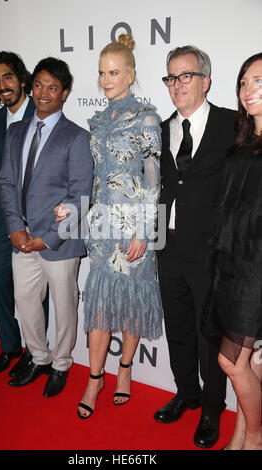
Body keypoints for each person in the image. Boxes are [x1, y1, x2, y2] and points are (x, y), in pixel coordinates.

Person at [74, 34, 163, 419]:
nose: (106, 80)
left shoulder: (146, 117)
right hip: (102, 227)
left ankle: (124, 371)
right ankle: (95, 379)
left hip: (134, 227)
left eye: (114, 72)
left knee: (130, 304)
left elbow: (153, 177)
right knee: (98, 307)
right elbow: (95, 178)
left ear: (131, 74)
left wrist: (144, 231)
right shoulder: (96, 120)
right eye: (101, 73)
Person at [154, 45, 236, 449]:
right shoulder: (160, 128)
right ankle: (186, 391)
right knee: (179, 330)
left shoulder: (232, 125)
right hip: (167, 250)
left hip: (209, 254)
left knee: (209, 336)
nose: (176, 84)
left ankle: (211, 408)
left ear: (205, 80)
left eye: (185, 76)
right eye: (170, 77)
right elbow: (158, 190)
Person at [0, 57, 93, 398]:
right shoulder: (15, 131)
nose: (43, 93)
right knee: (25, 303)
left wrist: (47, 238)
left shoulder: (76, 137)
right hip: (21, 238)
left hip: (58, 243)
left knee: (64, 306)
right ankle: (39, 356)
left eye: (52, 87)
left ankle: (62, 363)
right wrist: (14, 228)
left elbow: (81, 195)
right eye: (38, 85)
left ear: (64, 93)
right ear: (30, 86)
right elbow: (6, 182)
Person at [205, 52, 262, 450]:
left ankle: (256, 438)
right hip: (230, 266)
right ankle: (240, 435)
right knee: (246, 363)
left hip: (256, 272)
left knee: (232, 361)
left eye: (258, 81)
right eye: (244, 82)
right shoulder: (244, 144)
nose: (247, 90)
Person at [0, 51, 49, 377]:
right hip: (5, 219)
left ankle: (40, 352)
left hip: (37, 220)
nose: (2, 85)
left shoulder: (44, 114)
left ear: (22, 79)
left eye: (7, 77)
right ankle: (10, 347)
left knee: (37, 290)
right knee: (1, 283)